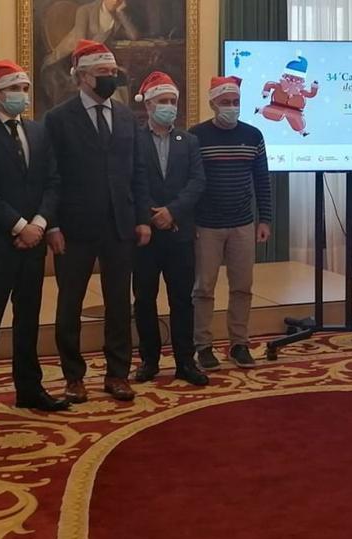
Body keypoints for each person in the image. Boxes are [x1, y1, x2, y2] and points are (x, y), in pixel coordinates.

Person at [0, 60, 72, 431]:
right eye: (13, 89)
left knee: (28, 321)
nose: (20, 96)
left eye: (24, 89)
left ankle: (30, 388)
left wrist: (40, 223)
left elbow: (53, 182)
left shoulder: (38, 132)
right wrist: (19, 225)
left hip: (34, 242)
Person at [44, 40, 150, 402]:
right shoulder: (58, 119)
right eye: (103, 73)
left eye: (112, 72)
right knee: (69, 303)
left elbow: (137, 171)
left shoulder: (124, 115)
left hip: (120, 225)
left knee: (119, 302)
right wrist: (52, 225)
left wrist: (142, 218)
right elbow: (51, 176)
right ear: (83, 76)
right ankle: (74, 377)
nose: (110, 78)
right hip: (74, 228)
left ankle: (117, 374)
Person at [130, 71, 209, 386]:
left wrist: (172, 212)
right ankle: (149, 360)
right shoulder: (135, 140)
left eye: (173, 101)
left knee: (182, 300)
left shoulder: (188, 141)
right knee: (144, 300)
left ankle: (185, 362)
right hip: (145, 235)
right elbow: (133, 181)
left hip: (179, 233)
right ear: (148, 105)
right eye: (163, 101)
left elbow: (197, 181)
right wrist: (151, 214)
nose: (169, 106)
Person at [189, 76, 273, 370]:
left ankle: (239, 343)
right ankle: (203, 346)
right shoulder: (196, 136)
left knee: (242, 287)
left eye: (236, 102)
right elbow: (190, 183)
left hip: (243, 224)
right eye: (225, 103)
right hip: (206, 225)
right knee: (203, 289)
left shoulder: (253, 136)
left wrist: (266, 219)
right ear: (212, 103)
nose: (232, 107)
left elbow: (262, 180)